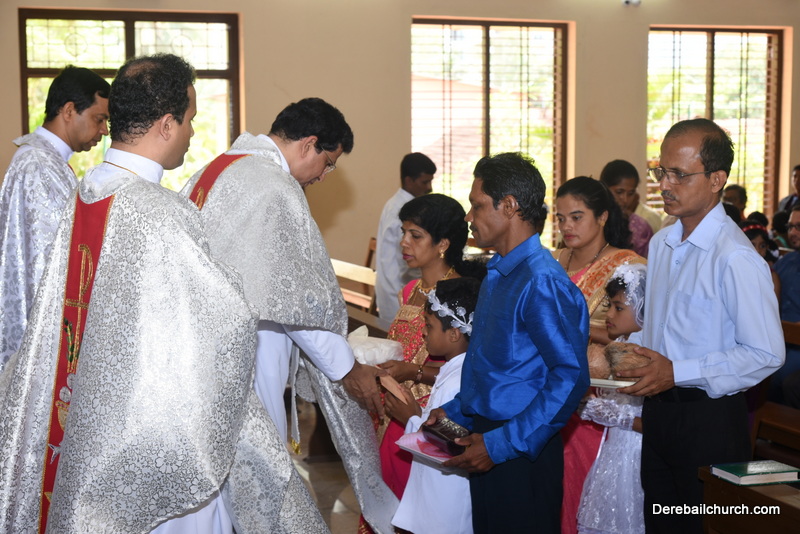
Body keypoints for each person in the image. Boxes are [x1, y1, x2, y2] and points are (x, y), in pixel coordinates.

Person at [0, 53, 326, 533]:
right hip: (147, 431)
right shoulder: (160, 214)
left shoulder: (87, 193)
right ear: (167, 124)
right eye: (190, 120)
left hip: (91, 420)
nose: (192, 133)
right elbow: (223, 328)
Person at [182, 98, 396, 533]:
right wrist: (347, 367)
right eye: (328, 163)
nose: (323, 176)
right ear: (309, 144)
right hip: (247, 362)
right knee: (257, 487)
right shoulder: (274, 188)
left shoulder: (212, 171)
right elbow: (300, 305)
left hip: (197, 358)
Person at [618, 118, 784, 534]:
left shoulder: (735, 257)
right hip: (659, 412)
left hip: (709, 418)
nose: (665, 185)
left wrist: (678, 371)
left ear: (716, 179)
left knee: (702, 526)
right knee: (661, 522)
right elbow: (660, 327)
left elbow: (766, 353)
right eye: (661, 171)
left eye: (679, 174)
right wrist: (628, 354)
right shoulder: (662, 243)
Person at [428, 152, 590, 533]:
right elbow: (493, 368)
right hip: (487, 437)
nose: (469, 216)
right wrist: (456, 412)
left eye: (477, 205)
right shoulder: (499, 272)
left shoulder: (540, 280)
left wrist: (501, 444)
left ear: (510, 206)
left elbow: (570, 376)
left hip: (522, 445)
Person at [0, 66, 109, 372]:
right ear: (69, 110)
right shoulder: (37, 165)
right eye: (99, 119)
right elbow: (48, 261)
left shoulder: (45, 160)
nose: (104, 131)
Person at [376, 193, 484, 499]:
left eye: (416, 235)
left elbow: (471, 372)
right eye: (404, 233)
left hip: (432, 418)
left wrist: (412, 371)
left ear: (443, 244)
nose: (404, 243)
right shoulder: (410, 290)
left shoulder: (461, 298)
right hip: (393, 412)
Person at [553, 175, 645, 534]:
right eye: (561, 218)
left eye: (577, 217)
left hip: (595, 397)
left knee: (577, 488)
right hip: (548, 386)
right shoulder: (553, 260)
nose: (567, 226)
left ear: (603, 216)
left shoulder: (627, 266)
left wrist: (571, 326)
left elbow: (634, 334)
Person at [386, 277, 481, 534]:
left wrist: (410, 417)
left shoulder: (459, 379)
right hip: (434, 490)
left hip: (448, 498)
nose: (423, 332)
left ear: (454, 334)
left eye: (429, 325)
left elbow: (452, 445)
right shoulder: (453, 370)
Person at [578, 262, 647, 534]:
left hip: (636, 452)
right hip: (615, 447)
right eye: (609, 306)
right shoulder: (619, 345)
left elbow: (645, 418)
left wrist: (595, 408)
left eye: (619, 308)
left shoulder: (645, 353)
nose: (609, 314)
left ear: (643, 308)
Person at [375, 152, 436, 320]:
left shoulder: (393, 203)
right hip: (400, 291)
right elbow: (407, 261)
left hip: (389, 288)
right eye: (425, 182)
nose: (429, 187)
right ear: (409, 181)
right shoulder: (405, 211)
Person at [599, 159, 655, 257]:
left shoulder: (641, 229)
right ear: (604, 188)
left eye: (631, 193)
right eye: (619, 192)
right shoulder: (592, 222)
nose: (625, 199)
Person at [773, 206, 800, 403]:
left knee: (778, 375)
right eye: (790, 227)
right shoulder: (785, 262)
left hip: (796, 343)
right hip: (778, 337)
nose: (792, 232)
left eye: (799, 227)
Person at [739, 219, 781, 301]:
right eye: (752, 245)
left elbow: (773, 307)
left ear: (767, 247)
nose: (757, 251)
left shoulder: (771, 277)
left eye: (762, 246)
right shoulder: (734, 272)